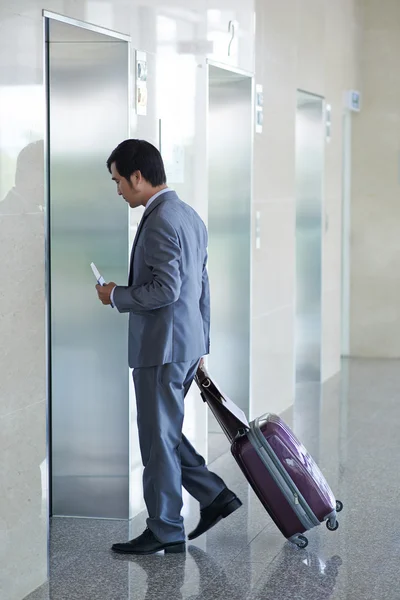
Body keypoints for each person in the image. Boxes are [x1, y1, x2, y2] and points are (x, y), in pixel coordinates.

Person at [96, 139, 241, 555]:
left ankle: (165, 527)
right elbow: (201, 289)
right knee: (163, 433)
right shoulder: (189, 216)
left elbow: (166, 289)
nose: (118, 189)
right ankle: (213, 495)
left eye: (118, 181)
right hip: (184, 343)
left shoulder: (160, 220)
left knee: (156, 440)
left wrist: (116, 296)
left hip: (162, 348)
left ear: (138, 177)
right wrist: (200, 346)